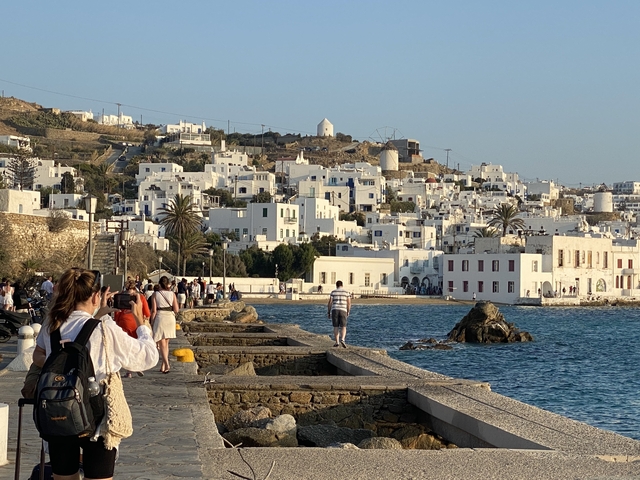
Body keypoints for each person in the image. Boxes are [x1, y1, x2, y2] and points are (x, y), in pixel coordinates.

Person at [32, 268, 158, 480]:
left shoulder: (51, 324)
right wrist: (141, 323)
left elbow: (39, 355)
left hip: (59, 411)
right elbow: (148, 357)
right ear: (95, 296)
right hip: (97, 417)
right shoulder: (104, 329)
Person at [114, 280, 151, 378]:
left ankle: (129, 371)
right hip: (136, 324)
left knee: (126, 347)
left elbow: (117, 312)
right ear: (135, 288)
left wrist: (117, 321)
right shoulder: (140, 297)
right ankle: (138, 366)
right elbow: (147, 313)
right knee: (137, 346)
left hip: (124, 323)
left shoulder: (121, 296)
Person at [150, 275, 179, 374]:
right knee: (166, 343)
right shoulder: (172, 294)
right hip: (170, 317)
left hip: (160, 317)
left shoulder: (155, 294)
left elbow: (153, 310)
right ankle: (163, 365)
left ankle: (166, 363)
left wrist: (152, 322)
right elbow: (176, 309)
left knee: (162, 342)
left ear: (159, 284)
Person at [328, 280, 351, 348]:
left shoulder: (333, 292)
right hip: (343, 309)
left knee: (336, 326)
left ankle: (337, 342)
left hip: (335, 309)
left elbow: (330, 302)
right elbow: (349, 303)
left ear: (336, 285)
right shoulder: (346, 292)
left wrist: (328, 312)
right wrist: (348, 311)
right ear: (342, 285)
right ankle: (343, 339)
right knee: (343, 326)